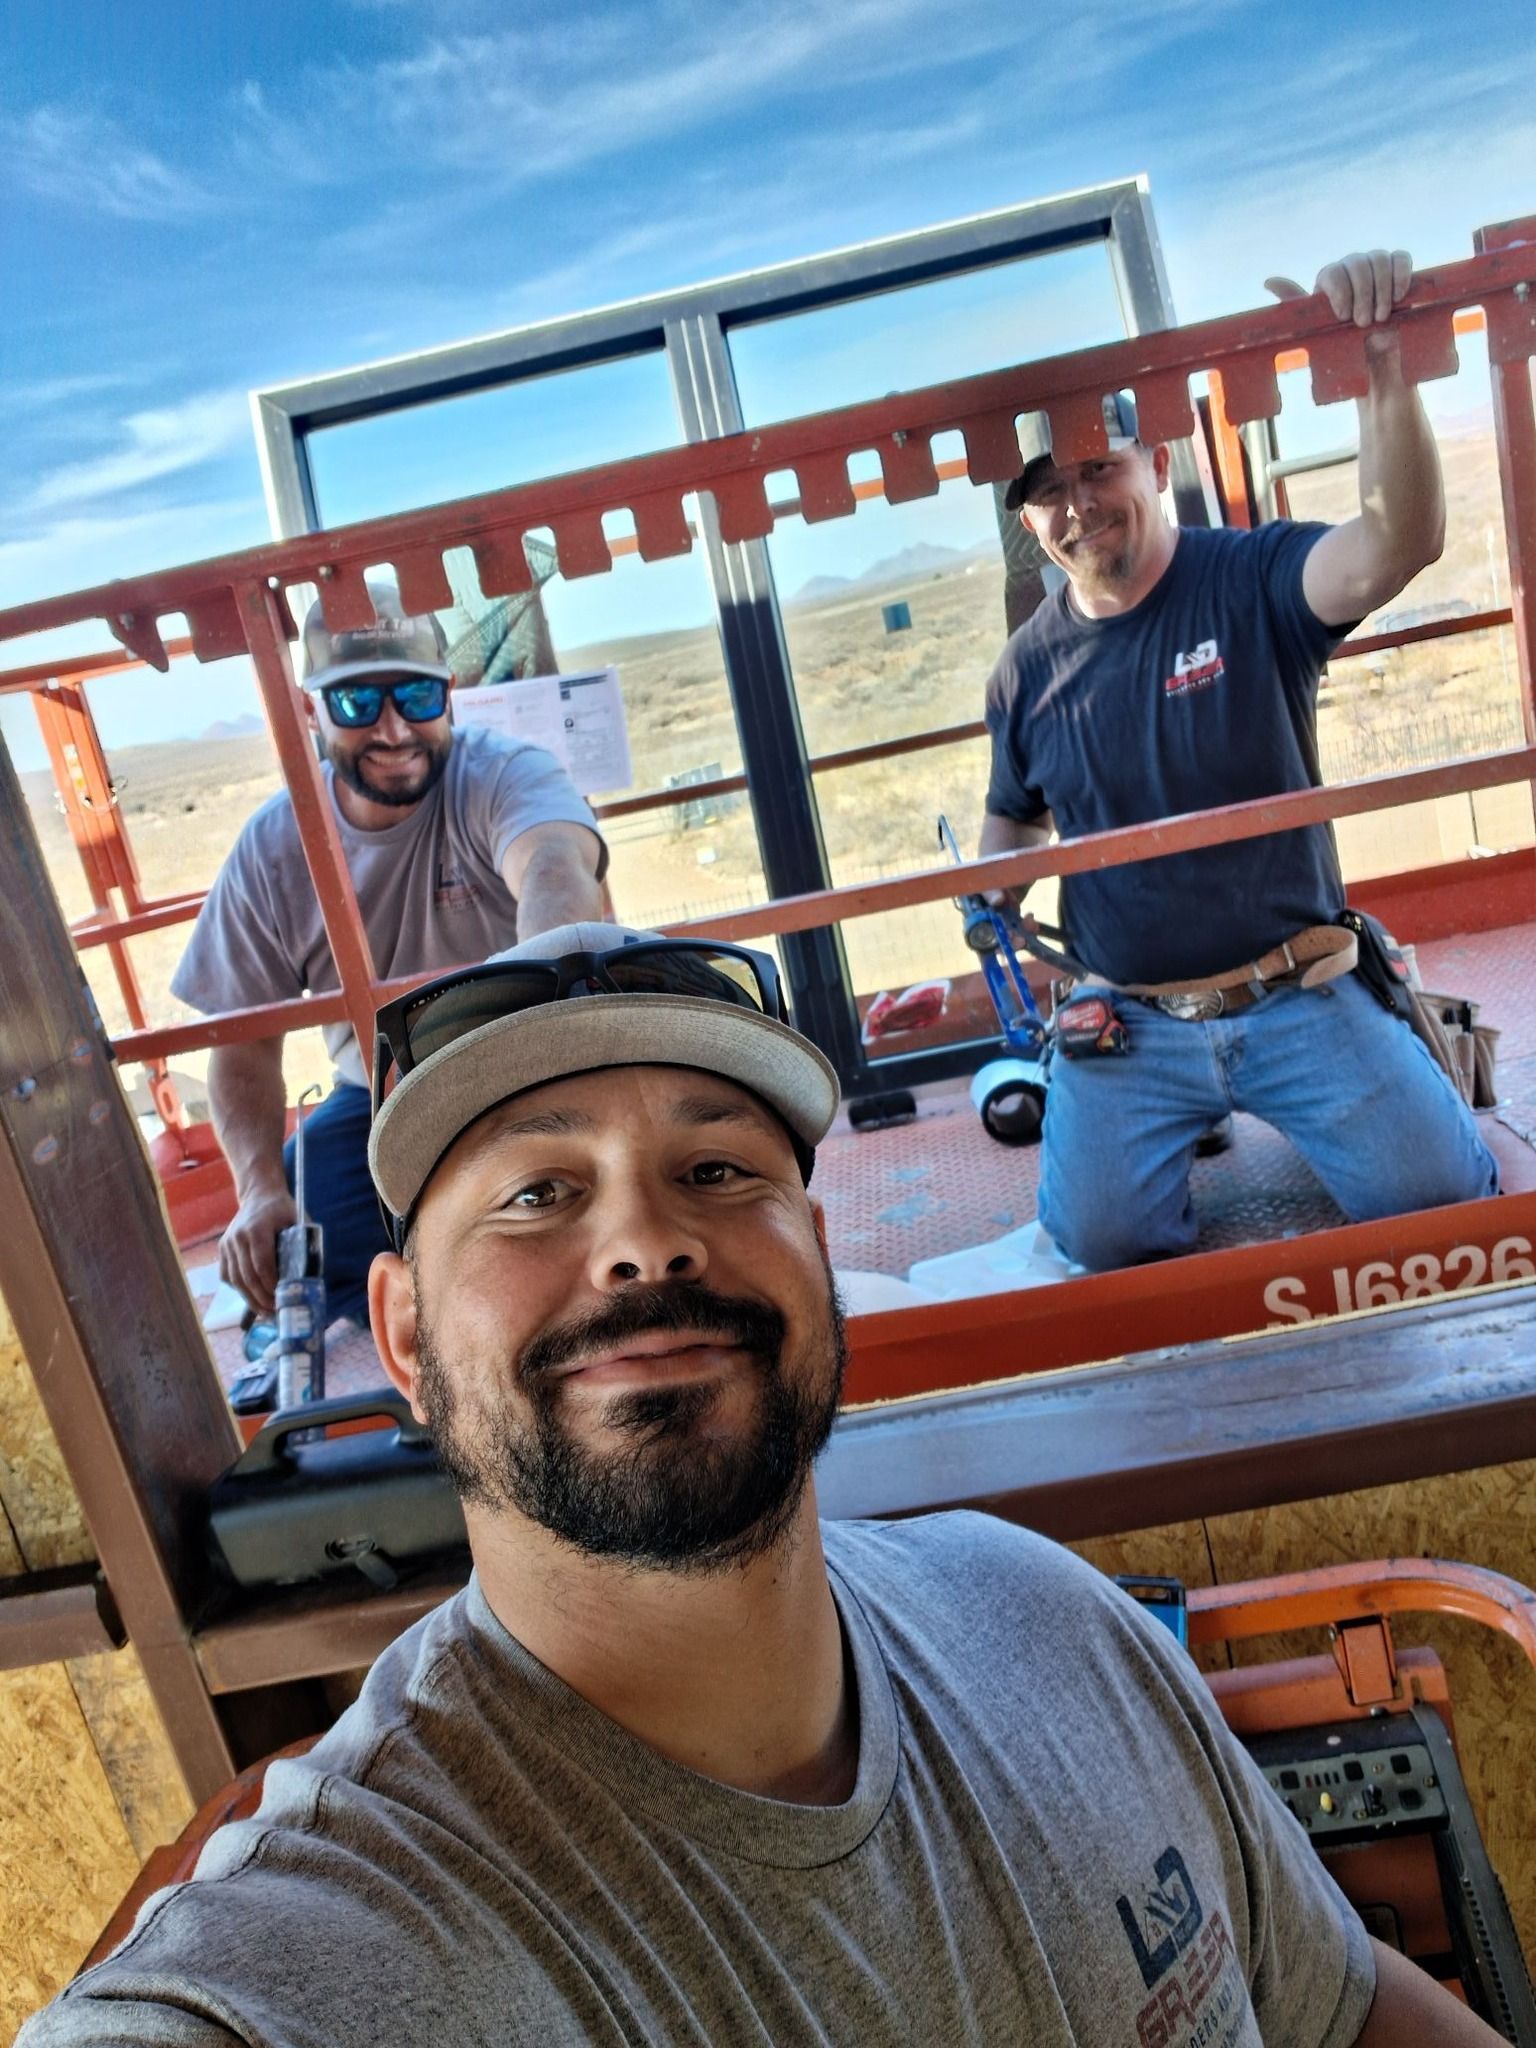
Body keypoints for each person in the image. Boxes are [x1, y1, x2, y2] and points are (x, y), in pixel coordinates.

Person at [26, 922, 1500, 2045]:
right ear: (404, 1332)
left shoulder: (1049, 1615)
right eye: (540, 1193)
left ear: (816, 1247)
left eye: (721, 1172)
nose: (646, 1245)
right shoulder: (339, 1935)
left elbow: (1344, 2008)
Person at [978, 250, 1498, 1271]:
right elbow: (1018, 814)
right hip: (1129, 1018)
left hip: (1295, 990)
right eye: (1049, 491)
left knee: (1438, 1206)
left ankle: (1373, 1044)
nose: (1078, 505)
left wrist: (1382, 361)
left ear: (1153, 465)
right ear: (1028, 520)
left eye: (1099, 469)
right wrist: (987, 886)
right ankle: (1188, 1119)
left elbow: (1399, 541)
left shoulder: (1253, 577)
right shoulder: (1022, 670)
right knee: (1102, 1243)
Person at [171, 582, 606, 1351]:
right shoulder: (277, 849)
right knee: (293, 1231)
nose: (394, 727)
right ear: (311, 712)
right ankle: (420, 1345)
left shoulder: (502, 774)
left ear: (450, 697)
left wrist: (542, 1050)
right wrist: (255, 1191)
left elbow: (555, 871)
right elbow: (241, 1042)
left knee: (589, 1188)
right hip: (380, 1088)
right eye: (356, 704)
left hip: (521, 1059)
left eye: (415, 694)